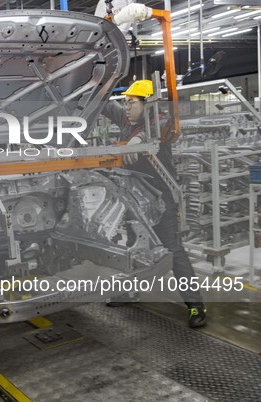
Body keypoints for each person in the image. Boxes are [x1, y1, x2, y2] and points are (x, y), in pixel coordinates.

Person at [101, 80, 207, 328]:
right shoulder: (128, 120)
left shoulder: (159, 123)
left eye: (131, 102)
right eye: (125, 102)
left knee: (173, 251)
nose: (126, 107)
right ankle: (128, 293)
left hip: (161, 201)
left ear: (147, 104)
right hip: (134, 201)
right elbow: (105, 104)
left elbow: (159, 127)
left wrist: (138, 140)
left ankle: (195, 306)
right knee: (132, 248)